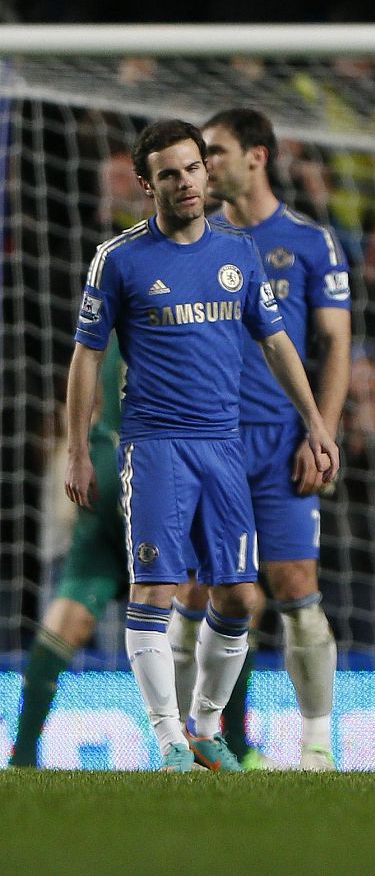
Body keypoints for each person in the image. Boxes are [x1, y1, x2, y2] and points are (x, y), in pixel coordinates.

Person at [65, 119, 338, 771]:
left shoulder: (237, 252)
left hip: (226, 446)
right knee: (157, 592)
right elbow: (84, 357)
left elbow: (277, 343)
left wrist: (316, 422)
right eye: (169, 173)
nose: (186, 181)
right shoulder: (120, 258)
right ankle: (166, 740)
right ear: (147, 183)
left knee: (240, 596)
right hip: (156, 446)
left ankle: (206, 723)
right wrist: (77, 447)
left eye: (192, 168)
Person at [163, 108, 350, 771]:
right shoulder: (188, 240)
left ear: (257, 157)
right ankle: (187, 742)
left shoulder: (308, 241)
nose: (203, 165)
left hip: (280, 441)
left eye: (214, 152)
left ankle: (319, 744)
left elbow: (335, 344)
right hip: (204, 440)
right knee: (193, 588)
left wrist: (320, 430)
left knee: (297, 584)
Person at [8, 340, 126, 768]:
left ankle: (221, 745)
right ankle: (22, 758)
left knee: (223, 610)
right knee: (59, 629)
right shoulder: (106, 325)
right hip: (101, 538)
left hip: (160, 528)